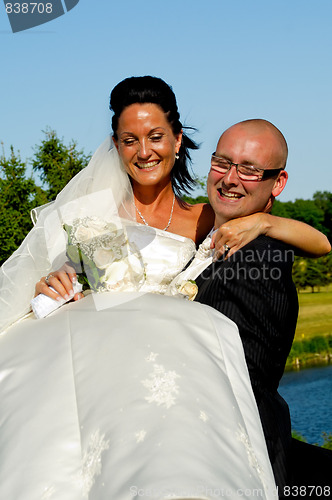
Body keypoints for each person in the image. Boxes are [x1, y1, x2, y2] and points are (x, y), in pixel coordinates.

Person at [0, 77, 329, 500]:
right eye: (129, 139)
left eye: (156, 137)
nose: (144, 152)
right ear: (116, 145)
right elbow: (54, 284)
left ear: (177, 140)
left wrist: (266, 221)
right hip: (101, 369)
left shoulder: (211, 218)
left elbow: (320, 244)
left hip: (175, 388)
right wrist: (50, 286)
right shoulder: (87, 217)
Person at [180, 119, 331, 496]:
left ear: (277, 183)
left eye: (248, 169)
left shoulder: (260, 260)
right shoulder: (202, 234)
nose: (231, 178)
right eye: (222, 162)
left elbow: (243, 384)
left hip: (230, 467)